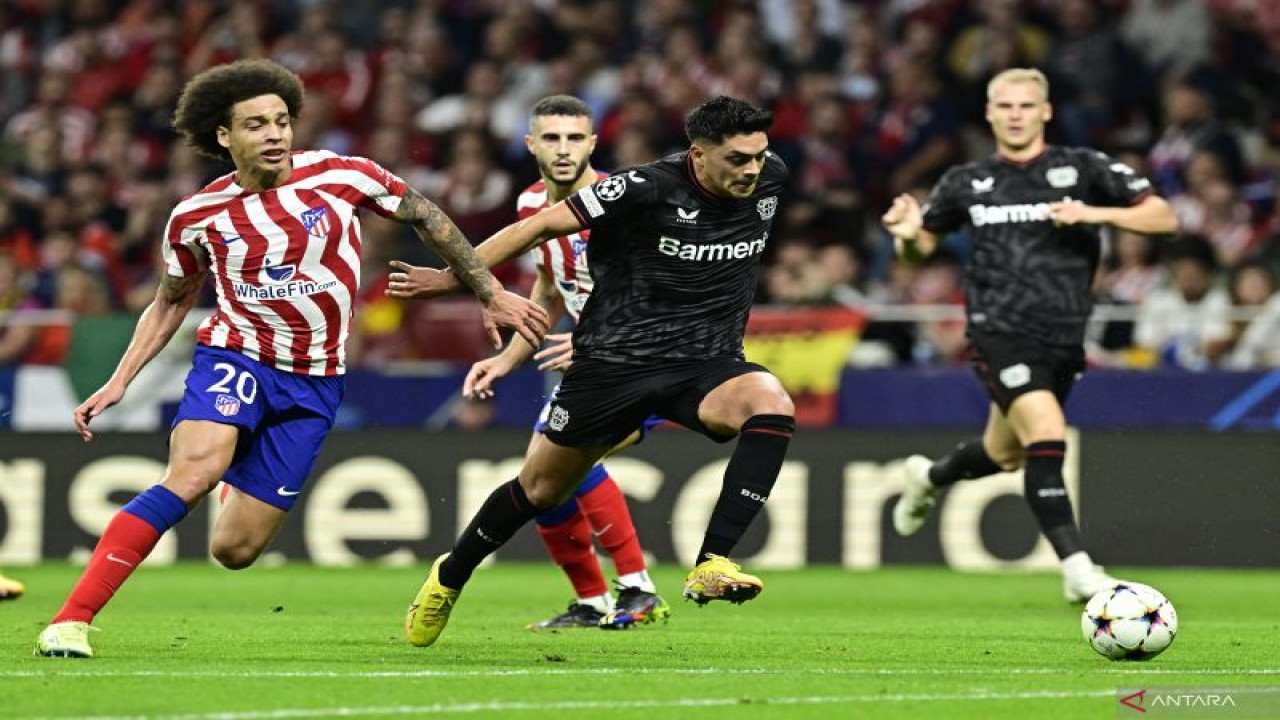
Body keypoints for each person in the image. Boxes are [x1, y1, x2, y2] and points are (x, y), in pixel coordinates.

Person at [33, 59, 548, 658]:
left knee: (236, 551)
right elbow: (170, 302)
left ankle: (237, 466)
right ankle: (71, 620)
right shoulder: (197, 217)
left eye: (281, 121)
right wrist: (121, 378)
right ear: (224, 137)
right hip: (238, 355)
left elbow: (426, 216)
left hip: (317, 379)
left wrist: (488, 289)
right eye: (256, 125)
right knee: (193, 472)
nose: (275, 134)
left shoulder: (342, 174)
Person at [388, 95, 796, 648]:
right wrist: (453, 275)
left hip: (706, 362)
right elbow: (539, 228)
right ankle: (451, 574)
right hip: (612, 366)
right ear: (698, 155)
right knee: (540, 489)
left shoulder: (771, 179)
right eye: (737, 159)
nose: (751, 170)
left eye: (757, 156)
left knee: (770, 401)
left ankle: (711, 562)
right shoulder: (643, 187)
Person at [880, 68, 1178, 603]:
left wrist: (1092, 212)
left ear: (1045, 112)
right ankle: (1078, 567)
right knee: (1046, 430)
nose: (1015, 113)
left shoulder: (1081, 168)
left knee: (1006, 453)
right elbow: (921, 246)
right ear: (990, 114)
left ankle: (928, 477)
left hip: (1063, 335)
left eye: (1025, 105)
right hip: (999, 329)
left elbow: (1164, 218)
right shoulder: (965, 181)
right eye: (1004, 105)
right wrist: (906, 239)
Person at [433, 95, 670, 630]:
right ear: (531, 145)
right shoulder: (530, 206)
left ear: (592, 143)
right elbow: (550, 288)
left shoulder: (622, 203)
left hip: (647, 359)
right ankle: (593, 601)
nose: (563, 149)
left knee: (567, 457)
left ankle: (636, 587)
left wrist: (591, 341)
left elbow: (659, 293)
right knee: (544, 477)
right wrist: (508, 356)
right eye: (552, 138)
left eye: (574, 138)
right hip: (597, 365)